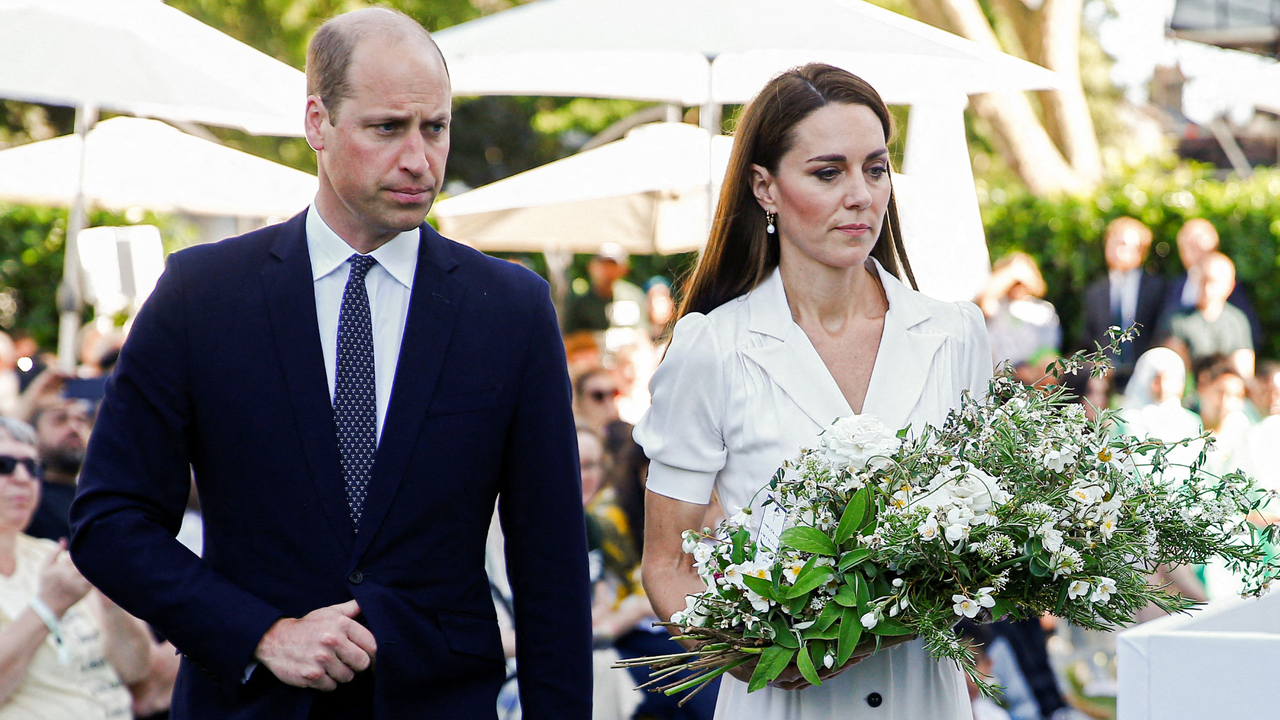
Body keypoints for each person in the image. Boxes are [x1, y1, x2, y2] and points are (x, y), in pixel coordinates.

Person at [68, 8, 590, 720]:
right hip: (250, 704)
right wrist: (260, 633)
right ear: (317, 123)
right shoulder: (202, 295)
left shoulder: (510, 308)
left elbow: (551, 565)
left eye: (434, 128)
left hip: (438, 702)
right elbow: (109, 519)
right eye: (387, 128)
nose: (419, 158)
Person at [636, 63, 992, 720]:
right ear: (765, 187)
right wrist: (752, 653)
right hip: (782, 705)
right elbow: (666, 562)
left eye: (876, 169)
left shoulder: (955, 334)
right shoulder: (715, 347)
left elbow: (984, 530)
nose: (860, 194)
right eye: (828, 173)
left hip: (925, 696)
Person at [0, 416, 152, 719]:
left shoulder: (52, 558)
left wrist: (113, 604)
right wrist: (47, 608)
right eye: (4, 465)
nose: (22, 478)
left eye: (32, 467)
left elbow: (136, 671)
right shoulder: (58, 578)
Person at [1080, 217, 1165, 393]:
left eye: (1125, 244)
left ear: (1141, 250)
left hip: (1146, 375)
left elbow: (1161, 331)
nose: (1118, 250)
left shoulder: (1157, 288)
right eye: (1113, 243)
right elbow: (1087, 337)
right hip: (1105, 380)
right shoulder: (1096, 291)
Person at [1161, 219, 1262, 350]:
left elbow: (1249, 334)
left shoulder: (1229, 285)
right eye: (1188, 246)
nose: (1195, 252)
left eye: (1200, 245)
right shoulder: (1174, 286)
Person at [1157, 252, 1254, 379]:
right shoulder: (1176, 319)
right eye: (1202, 281)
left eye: (1213, 282)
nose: (1207, 288)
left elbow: (1244, 372)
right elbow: (1175, 370)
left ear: (1230, 286)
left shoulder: (1237, 321)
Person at [23, 396, 93, 543]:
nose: (74, 427)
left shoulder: (99, 498)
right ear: (33, 433)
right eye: (60, 419)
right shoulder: (24, 495)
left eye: (81, 420)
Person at [974, 252, 1060, 369]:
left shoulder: (1044, 310)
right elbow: (985, 298)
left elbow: (1049, 351)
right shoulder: (997, 305)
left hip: (1033, 376)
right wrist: (1012, 272)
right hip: (1001, 376)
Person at [562, 243, 649, 336]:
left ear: (623, 268)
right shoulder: (579, 303)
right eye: (603, 264)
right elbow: (569, 340)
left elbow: (643, 333)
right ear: (592, 266)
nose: (607, 270)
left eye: (612, 265)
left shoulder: (633, 296)